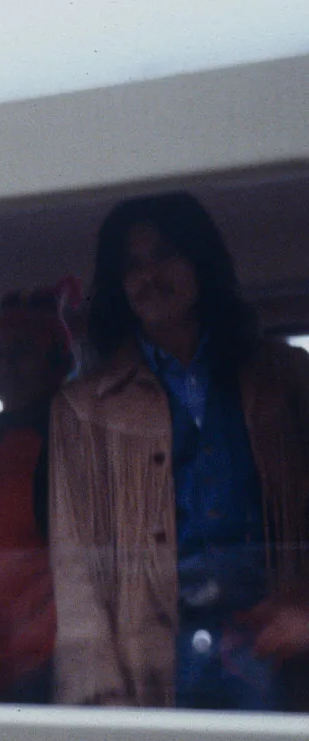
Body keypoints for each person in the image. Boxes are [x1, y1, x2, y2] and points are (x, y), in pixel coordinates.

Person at [50, 191, 309, 709]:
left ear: (200, 260)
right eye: (132, 266)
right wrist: (98, 692)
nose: (148, 276)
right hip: (152, 659)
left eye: (165, 254)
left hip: (273, 646)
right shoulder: (82, 407)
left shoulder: (285, 375)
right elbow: (73, 561)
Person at [0, 281, 79, 702]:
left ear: (56, 361)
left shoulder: (75, 440)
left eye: (22, 351)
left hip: (48, 663)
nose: (6, 365)